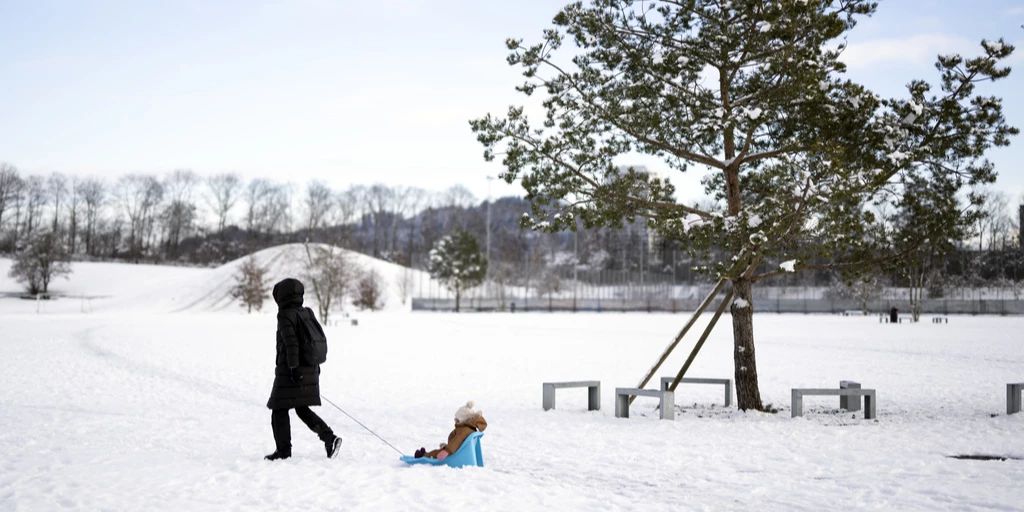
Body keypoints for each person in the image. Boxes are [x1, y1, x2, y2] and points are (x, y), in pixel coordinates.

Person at [264, 278, 342, 461]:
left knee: (278, 409)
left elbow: (292, 344)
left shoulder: (284, 315)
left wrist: (292, 368)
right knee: (301, 408)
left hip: (292, 371)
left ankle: (283, 452)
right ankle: (329, 438)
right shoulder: (307, 312)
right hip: (311, 368)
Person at [412, 401, 488, 460]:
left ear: (464, 420)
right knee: (439, 450)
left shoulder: (464, 430)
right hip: (455, 449)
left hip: (453, 452)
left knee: (436, 453)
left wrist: (447, 450)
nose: (455, 421)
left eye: (457, 419)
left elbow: (457, 440)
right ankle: (426, 453)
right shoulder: (470, 428)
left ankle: (423, 456)